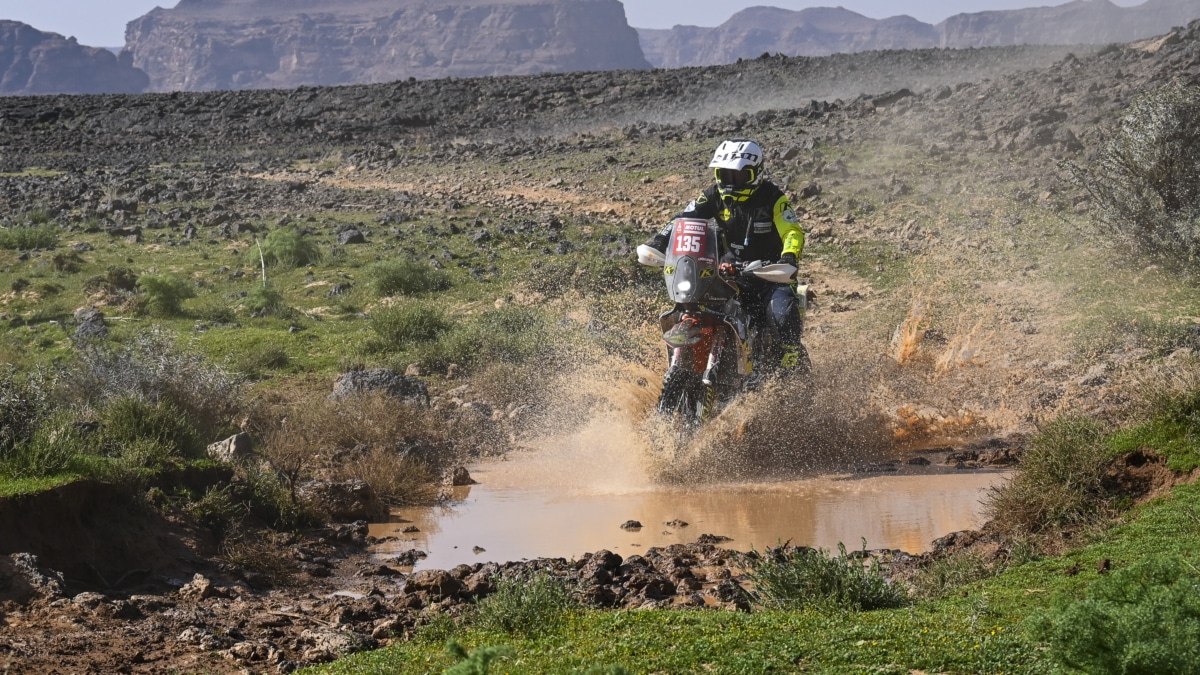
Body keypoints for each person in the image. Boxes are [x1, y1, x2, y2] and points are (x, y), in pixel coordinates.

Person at [644, 138, 809, 375]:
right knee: (690, 304)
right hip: (726, 274)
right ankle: (687, 367)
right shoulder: (712, 195)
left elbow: (791, 231)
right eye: (725, 175)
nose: (731, 182)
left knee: (781, 313)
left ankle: (789, 369)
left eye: (739, 176)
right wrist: (659, 240)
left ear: (756, 173)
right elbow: (683, 218)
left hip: (769, 276)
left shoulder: (773, 198)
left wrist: (789, 257)